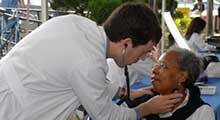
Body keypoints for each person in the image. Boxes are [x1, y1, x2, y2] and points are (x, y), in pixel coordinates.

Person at [0, 2, 183, 120]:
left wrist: (124, 92)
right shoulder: (89, 61)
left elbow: (76, 77)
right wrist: (146, 108)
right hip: (14, 110)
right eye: (143, 52)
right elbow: (105, 116)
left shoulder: (76, 24)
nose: (141, 59)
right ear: (127, 43)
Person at [128, 47, 215, 120]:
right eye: (156, 65)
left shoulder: (201, 112)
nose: (154, 70)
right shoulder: (142, 103)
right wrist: (145, 109)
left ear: (182, 77)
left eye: (163, 66)